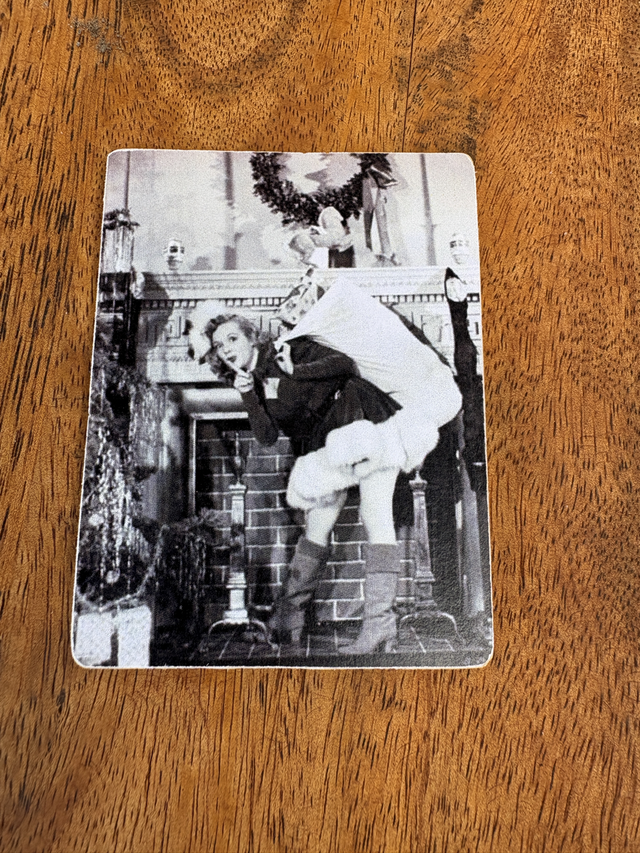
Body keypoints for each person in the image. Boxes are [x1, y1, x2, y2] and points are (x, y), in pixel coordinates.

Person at [204, 313, 404, 654]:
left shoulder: (290, 348)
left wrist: (295, 370)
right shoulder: (250, 382)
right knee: (317, 525)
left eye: (232, 339)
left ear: (252, 337)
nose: (226, 349)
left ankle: (380, 625)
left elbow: (345, 364)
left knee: (376, 514)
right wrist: (248, 395)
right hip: (325, 442)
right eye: (219, 345)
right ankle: (288, 619)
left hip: (364, 418)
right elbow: (267, 437)